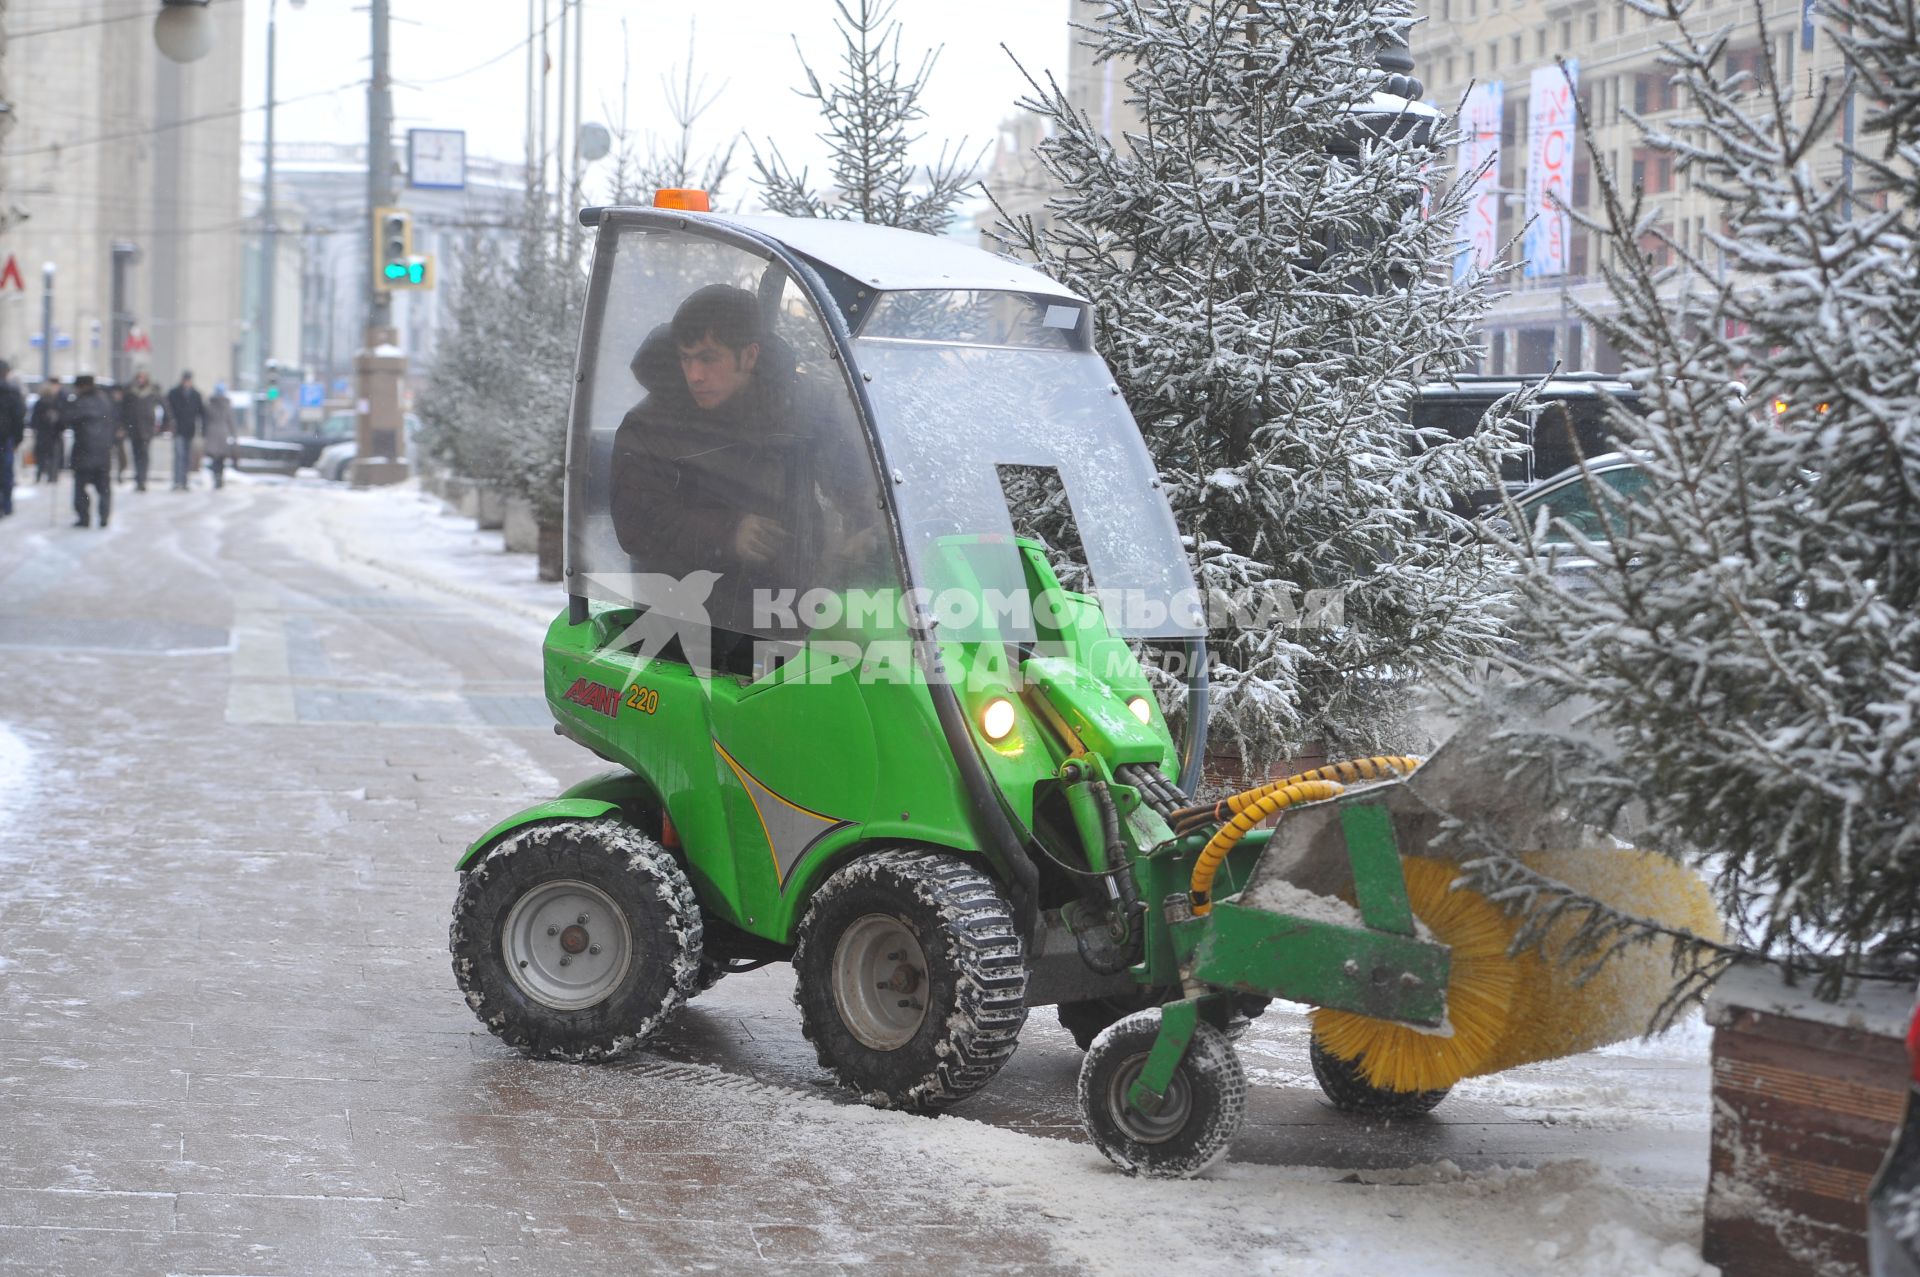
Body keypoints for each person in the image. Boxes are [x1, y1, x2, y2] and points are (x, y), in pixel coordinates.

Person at [64, 374, 116, 528]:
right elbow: (113, 420)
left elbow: (67, 419)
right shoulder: (105, 400)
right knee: (104, 487)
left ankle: (84, 517)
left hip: (83, 450)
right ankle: (104, 516)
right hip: (103, 450)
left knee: (81, 486)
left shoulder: (79, 402)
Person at [118, 369, 163, 492]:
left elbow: (163, 407)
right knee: (136, 454)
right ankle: (138, 478)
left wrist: (163, 425)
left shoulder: (152, 392)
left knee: (144, 454)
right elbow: (123, 410)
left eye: (143, 377)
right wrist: (122, 425)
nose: (140, 380)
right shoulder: (130, 392)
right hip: (134, 428)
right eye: (139, 377)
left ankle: (142, 479)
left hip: (147, 428)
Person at [165, 370, 205, 490]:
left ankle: (184, 480)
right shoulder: (174, 393)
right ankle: (177, 480)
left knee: (186, 456)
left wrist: (203, 428)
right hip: (178, 428)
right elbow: (168, 409)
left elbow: (201, 412)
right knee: (179, 454)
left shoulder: (196, 395)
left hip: (189, 429)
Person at [0, 362, 25, 517]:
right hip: (5, 438)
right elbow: (18, 417)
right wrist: (18, 439)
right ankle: (6, 505)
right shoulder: (13, 392)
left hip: (6, 437)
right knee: (6, 473)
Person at [203, 382, 236, 489]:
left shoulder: (210, 404)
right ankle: (219, 478)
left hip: (212, 433)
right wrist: (234, 435)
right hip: (222, 433)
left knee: (215, 458)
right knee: (221, 458)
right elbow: (231, 421)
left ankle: (216, 477)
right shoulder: (226, 405)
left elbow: (205, 419)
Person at [30, 379, 63, 483]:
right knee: (53, 456)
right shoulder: (56, 403)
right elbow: (61, 420)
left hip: (42, 434)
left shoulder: (39, 403)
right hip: (54, 434)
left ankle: (39, 476)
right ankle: (52, 476)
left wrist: (35, 428)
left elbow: (34, 419)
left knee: (41, 456)